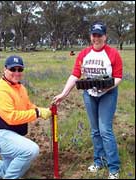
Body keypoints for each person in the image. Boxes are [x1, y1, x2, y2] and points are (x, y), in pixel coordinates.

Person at [53, 21, 123, 179]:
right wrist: (64, 94)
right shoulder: (84, 54)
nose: (96, 38)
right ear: (91, 36)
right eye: (94, 35)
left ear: (105, 37)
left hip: (108, 93)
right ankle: (99, 162)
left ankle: (114, 168)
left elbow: (118, 77)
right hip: (89, 93)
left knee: (105, 130)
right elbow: (75, 75)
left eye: (100, 35)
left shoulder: (113, 54)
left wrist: (107, 87)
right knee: (95, 130)